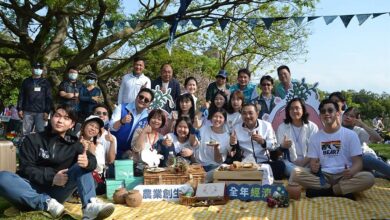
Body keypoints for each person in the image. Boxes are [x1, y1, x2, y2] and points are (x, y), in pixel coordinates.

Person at [0, 105, 115, 219]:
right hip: (28, 190)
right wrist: (52, 177)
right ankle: (44, 203)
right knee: (3, 177)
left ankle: (90, 206)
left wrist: (88, 162)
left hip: (57, 193)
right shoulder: (33, 139)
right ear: (51, 117)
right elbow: (26, 168)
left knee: (82, 166)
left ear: (72, 124)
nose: (60, 121)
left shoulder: (74, 144)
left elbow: (92, 161)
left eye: (66, 118)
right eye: (57, 116)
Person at [291, 99, 375, 199]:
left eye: (330, 110)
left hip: (344, 176)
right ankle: (341, 191)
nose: (326, 113)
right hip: (323, 177)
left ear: (338, 114)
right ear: (320, 115)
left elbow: (358, 163)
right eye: (323, 111)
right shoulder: (315, 137)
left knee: (369, 178)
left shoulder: (350, 135)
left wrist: (352, 171)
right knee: (296, 172)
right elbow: (313, 163)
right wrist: (314, 167)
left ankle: (328, 191)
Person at [231, 103, 285, 180]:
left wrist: (263, 142)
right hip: (244, 165)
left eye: (250, 113)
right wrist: (232, 143)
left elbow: (274, 146)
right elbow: (231, 150)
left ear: (257, 113)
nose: (247, 116)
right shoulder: (236, 128)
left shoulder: (266, 126)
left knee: (280, 165)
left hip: (263, 163)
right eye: (244, 113)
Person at [342, 107, 389, 179]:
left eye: (352, 116)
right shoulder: (336, 128)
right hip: (341, 160)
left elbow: (378, 139)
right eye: (346, 115)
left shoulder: (358, 130)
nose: (348, 117)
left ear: (356, 119)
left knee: (368, 160)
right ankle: (378, 174)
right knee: (368, 172)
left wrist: (362, 124)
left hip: (357, 160)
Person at [276, 98, 318, 177]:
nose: (294, 111)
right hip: (289, 164)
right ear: (288, 111)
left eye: (297, 108)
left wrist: (301, 164)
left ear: (303, 110)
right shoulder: (282, 127)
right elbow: (278, 153)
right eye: (291, 109)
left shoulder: (312, 127)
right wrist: (282, 146)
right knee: (289, 168)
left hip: (308, 163)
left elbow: (314, 150)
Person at [110, 88, 154, 159]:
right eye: (141, 97)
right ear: (137, 96)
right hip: (112, 149)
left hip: (130, 155)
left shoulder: (148, 117)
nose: (142, 100)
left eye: (146, 100)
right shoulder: (122, 108)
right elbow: (111, 127)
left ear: (149, 103)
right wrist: (121, 121)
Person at [195, 109, 231, 182]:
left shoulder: (227, 137)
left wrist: (216, 148)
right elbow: (194, 144)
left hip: (214, 167)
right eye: (215, 116)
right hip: (198, 165)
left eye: (220, 117)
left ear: (225, 120)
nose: (217, 119)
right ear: (211, 118)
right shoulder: (203, 129)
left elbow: (219, 160)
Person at [17, 62, 52, 135]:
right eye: (36, 68)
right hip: (27, 111)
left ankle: (39, 146)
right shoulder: (26, 81)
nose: (38, 69)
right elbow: (21, 96)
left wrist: (47, 111)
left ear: (42, 70)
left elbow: (48, 98)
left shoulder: (46, 82)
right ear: (32, 69)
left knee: (41, 132)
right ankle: (25, 146)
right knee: (25, 132)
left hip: (41, 112)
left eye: (40, 68)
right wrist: (19, 109)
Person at [92, 104, 117, 179]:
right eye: (98, 113)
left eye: (104, 114)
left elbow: (110, 161)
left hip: (102, 174)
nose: (101, 115)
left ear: (108, 118)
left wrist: (112, 142)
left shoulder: (113, 138)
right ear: (93, 115)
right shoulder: (83, 133)